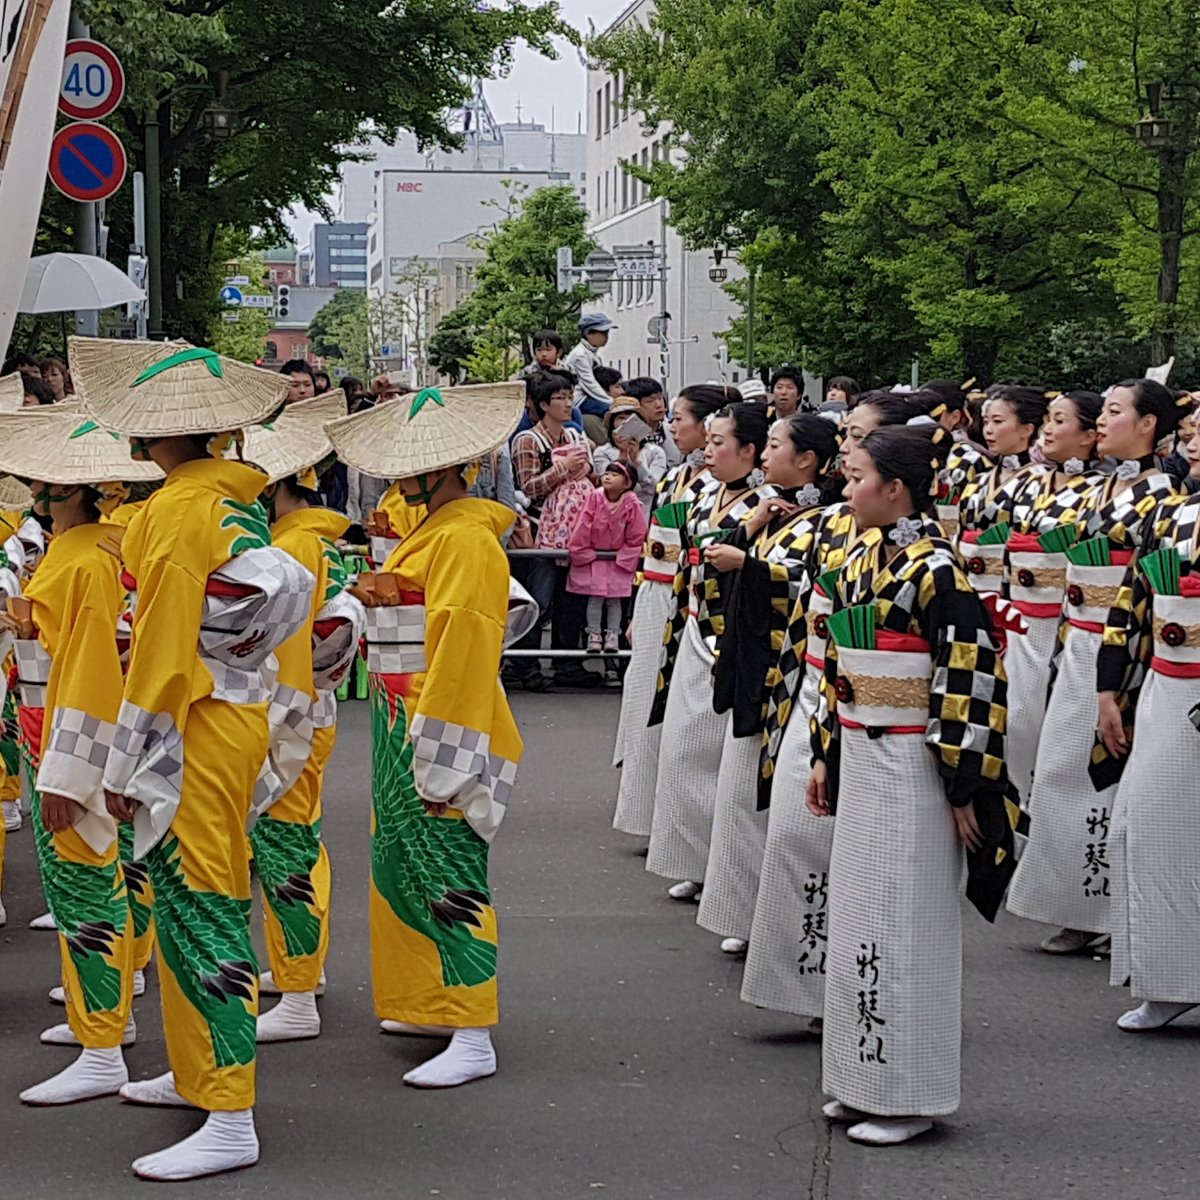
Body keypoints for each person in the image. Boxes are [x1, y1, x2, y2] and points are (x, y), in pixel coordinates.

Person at [70, 336, 315, 1181]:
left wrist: (119, 754)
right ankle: (197, 1069)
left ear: (146, 439)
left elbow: (168, 650)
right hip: (229, 711)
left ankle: (230, 1111)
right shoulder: (228, 501)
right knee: (185, 897)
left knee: (203, 900)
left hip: (196, 723)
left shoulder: (179, 511)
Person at [809, 424, 1015, 1147]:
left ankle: (910, 1092)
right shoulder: (862, 556)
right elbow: (838, 670)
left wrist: (965, 788)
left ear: (895, 488)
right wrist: (826, 752)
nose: (844, 486)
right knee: (862, 913)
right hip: (863, 752)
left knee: (907, 920)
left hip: (915, 761)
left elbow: (970, 678)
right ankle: (860, 1076)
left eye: (856, 473)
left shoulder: (939, 572)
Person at [325, 380, 526, 1089]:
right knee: (400, 861)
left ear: (441, 470)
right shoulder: (433, 532)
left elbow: (465, 653)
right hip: (399, 709)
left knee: (448, 866)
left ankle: (473, 1027)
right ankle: (431, 998)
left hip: (437, 718)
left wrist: (447, 758)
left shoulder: (467, 538)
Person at [0, 406, 161, 1106]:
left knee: (85, 882)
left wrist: (73, 772)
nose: (38, 492)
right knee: (101, 876)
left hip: (74, 731)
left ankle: (102, 1042)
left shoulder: (85, 561)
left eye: (51, 484)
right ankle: (106, 1012)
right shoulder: (92, 552)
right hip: (61, 722)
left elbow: (92, 669)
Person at [1007, 379, 1184, 955]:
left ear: (1150, 424)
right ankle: (1080, 899)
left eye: (1113, 412)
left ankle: (1107, 907)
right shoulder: (1106, 487)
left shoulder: (1164, 497)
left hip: (1121, 646)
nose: (1102, 423)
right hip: (1078, 636)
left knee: (1098, 769)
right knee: (1061, 768)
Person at [241, 394, 365, 1044]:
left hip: (290, 711)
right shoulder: (313, 539)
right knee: (294, 843)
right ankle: (298, 973)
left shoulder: (291, 548)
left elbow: (282, 652)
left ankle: (297, 990)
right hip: (310, 707)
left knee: (287, 846)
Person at [700, 415, 841, 956]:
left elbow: (816, 588)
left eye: (776, 445)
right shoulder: (775, 509)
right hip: (755, 663)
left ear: (807, 459)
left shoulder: (828, 520)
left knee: (769, 805)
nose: (765, 456)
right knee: (740, 796)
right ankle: (742, 907)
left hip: (790, 670)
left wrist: (750, 563)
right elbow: (721, 560)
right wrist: (751, 531)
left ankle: (770, 919)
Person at [1093, 417, 1200, 1032]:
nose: (1194, 439)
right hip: (1165, 687)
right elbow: (1130, 607)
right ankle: (1169, 975)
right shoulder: (1170, 516)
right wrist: (1111, 691)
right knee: (1144, 827)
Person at [647, 403, 773, 900]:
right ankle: (695, 859)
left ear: (750, 451)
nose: (709, 449)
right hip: (694, 624)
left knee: (719, 758)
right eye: (710, 439)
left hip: (732, 638)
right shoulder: (702, 493)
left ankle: (725, 870)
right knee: (681, 750)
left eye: (720, 442)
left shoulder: (769, 504)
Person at [611, 384, 727, 839]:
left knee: (674, 710)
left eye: (682, 418)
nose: (673, 425)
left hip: (686, 599)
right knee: (643, 699)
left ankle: (675, 821)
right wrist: (638, 603)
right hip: (656, 593)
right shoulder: (676, 477)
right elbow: (649, 547)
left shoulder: (716, 486)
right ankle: (645, 812)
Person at [1000, 391, 1104, 805]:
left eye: (1060, 421)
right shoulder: (1026, 481)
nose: (1047, 428)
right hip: (1015, 620)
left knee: (1053, 732)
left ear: (1088, 436)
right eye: (1047, 418)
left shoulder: (1099, 493)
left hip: (1062, 624)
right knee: (1013, 722)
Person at [511, 372, 598, 690]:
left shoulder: (576, 436)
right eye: (559, 397)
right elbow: (528, 487)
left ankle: (567, 663)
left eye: (569, 396)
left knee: (572, 600)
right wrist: (562, 469)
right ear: (543, 404)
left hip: (577, 532)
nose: (567, 403)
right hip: (540, 533)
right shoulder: (528, 440)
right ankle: (525, 663)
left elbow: (594, 478)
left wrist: (584, 468)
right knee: (539, 599)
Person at [955, 385, 1049, 595]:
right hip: (970, 585)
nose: (988, 429)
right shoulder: (978, 480)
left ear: (1027, 429)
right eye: (986, 421)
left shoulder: (1043, 481)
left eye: (998, 422)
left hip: (1017, 591)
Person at [568, 459, 648, 659]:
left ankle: (612, 634)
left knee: (615, 600)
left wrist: (625, 555)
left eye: (615, 474)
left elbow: (637, 534)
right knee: (594, 598)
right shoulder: (594, 498)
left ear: (627, 483)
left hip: (617, 559)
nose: (608, 477)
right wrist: (583, 551)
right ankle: (593, 633)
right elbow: (583, 525)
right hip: (595, 556)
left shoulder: (632, 503)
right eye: (607, 473)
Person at [594, 400, 668, 515]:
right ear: (612, 424)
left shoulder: (655, 452)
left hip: (644, 516)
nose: (625, 422)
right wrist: (624, 455)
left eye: (631, 418)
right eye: (621, 417)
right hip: (611, 516)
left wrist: (636, 462)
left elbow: (655, 488)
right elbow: (610, 487)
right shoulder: (602, 453)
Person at [562, 313, 618, 428]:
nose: (606, 337)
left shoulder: (590, 352)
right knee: (614, 411)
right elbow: (589, 384)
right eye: (602, 333)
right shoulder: (580, 355)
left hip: (587, 397)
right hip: (579, 398)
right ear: (588, 333)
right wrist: (611, 401)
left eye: (607, 333)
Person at [622, 376, 680, 467]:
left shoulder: (674, 432)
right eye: (650, 401)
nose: (658, 405)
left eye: (660, 398)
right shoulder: (625, 436)